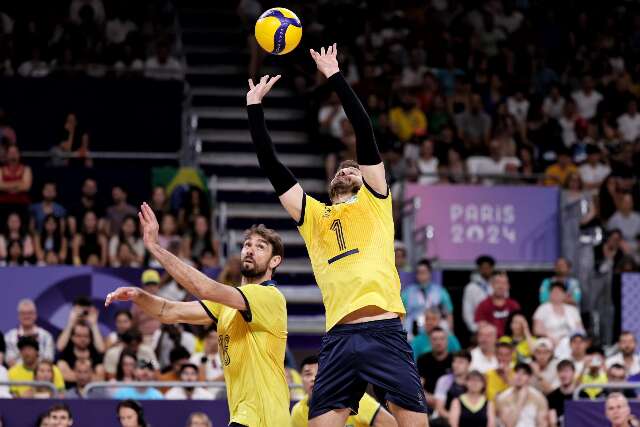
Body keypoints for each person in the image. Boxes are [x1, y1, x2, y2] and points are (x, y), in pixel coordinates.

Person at [246, 45, 427, 426]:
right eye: (341, 169)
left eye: (353, 168)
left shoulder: (377, 201)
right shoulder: (314, 216)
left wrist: (334, 76)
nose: (346, 170)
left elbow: (363, 130)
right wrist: (254, 109)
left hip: (383, 330)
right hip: (339, 337)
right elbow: (272, 167)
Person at [106, 205, 290, 427]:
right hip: (245, 417)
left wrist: (155, 248)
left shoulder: (269, 297)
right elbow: (169, 312)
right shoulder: (226, 305)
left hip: (265, 419)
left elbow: (205, 289)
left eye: (260, 247)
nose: (250, 250)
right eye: (247, 245)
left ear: (275, 261)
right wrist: (138, 296)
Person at [290, 355, 397, 427]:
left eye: (319, 373)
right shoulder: (297, 412)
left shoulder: (357, 399)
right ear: (300, 379)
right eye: (308, 374)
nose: (314, 378)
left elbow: (391, 424)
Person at [401, 259, 454, 336]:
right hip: (412, 330)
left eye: (424, 272)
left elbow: (449, 313)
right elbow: (401, 315)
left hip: (435, 329)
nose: (421, 276)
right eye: (419, 273)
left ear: (430, 273)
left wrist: (451, 333)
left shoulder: (440, 292)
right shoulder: (407, 292)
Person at [533, 282, 585, 355]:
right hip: (549, 339)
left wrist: (568, 338)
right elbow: (537, 330)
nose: (556, 294)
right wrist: (551, 337)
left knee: (573, 344)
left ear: (565, 294)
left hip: (569, 340)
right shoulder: (543, 309)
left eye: (559, 292)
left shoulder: (573, 310)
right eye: (554, 292)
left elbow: (580, 330)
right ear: (550, 294)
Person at [5, 298, 54, 365]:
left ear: (35, 315)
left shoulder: (46, 336)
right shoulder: (9, 336)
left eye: (30, 313)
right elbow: (10, 360)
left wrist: (35, 370)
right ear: (19, 316)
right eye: (23, 313)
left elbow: (49, 359)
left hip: (40, 374)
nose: (27, 316)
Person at [417, 326, 454, 410]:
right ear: (430, 341)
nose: (438, 342)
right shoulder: (423, 359)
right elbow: (418, 386)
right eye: (434, 339)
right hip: (428, 402)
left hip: (450, 404)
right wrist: (427, 397)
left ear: (447, 341)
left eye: (442, 339)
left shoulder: (454, 359)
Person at [474, 273, 521, 337]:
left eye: (504, 283)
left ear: (508, 286)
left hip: (511, 342)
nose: (501, 286)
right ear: (492, 285)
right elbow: (481, 327)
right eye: (498, 283)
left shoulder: (514, 305)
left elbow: (520, 326)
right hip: (491, 341)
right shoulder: (483, 305)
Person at [433, 351, 471, 421]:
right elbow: (440, 408)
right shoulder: (444, 380)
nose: (455, 365)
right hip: (446, 419)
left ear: (469, 365)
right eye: (454, 361)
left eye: (460, 362)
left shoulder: (473, 381)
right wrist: (454, 420)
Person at [463, 256, 495, 334]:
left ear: (492, 269)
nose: (485, 270)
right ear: (479, 269)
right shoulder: (471, 287)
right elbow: (467, 310)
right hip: (478, 327)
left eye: (488, 267)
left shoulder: (498, 284)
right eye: (483, 268)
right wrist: (474, 328)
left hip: (496, 326)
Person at [0, 145, 32, 222]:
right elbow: (0, 186)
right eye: (11, 152)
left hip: (21, 204)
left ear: (19, 154)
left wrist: (7, 185)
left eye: (15, 152)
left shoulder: (26, 169)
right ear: (7, 155)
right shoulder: (1, 169)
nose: (13, 154)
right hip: (3, 204)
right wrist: (18, 183)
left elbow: (26, 186)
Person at [547, 360, 576, 427]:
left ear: (573, 373)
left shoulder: (582, 395)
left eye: (567, 371)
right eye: (560, 371)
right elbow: (553, 423)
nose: (563, 375)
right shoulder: (551, 397)